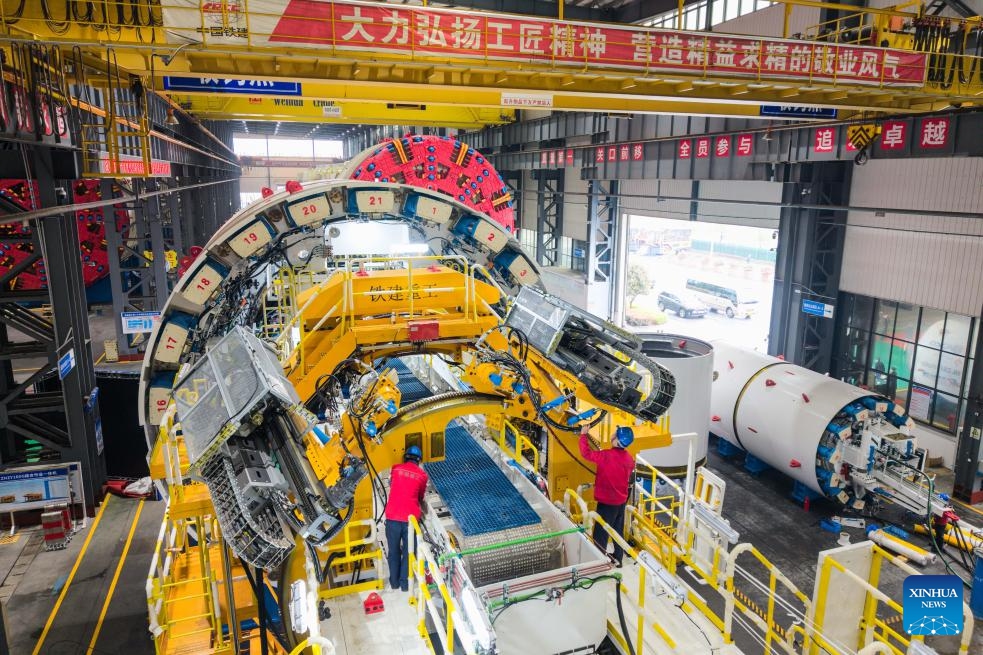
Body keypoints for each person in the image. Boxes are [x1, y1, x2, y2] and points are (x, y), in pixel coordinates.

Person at [579, 425, 635, 566]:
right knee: (617, 530)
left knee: (601, 532)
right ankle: (618, 558)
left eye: (615, 433)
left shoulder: (606, 456)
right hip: (621, 501)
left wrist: (583, 435)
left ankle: (598, 562)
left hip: (606, 502)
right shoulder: (629, 459)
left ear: (616, 440)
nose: (612, 434)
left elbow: (586, 453)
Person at [384, 445, 428, 591]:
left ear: (405, 457)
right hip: (410, 520)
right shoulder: (422, 476)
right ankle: (405, 585)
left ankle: (394, 583)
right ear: (419, 460)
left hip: (393, 517)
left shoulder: (395, 469)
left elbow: (392, 484)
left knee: (394, 551)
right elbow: (420, 497)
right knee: (409, 552)